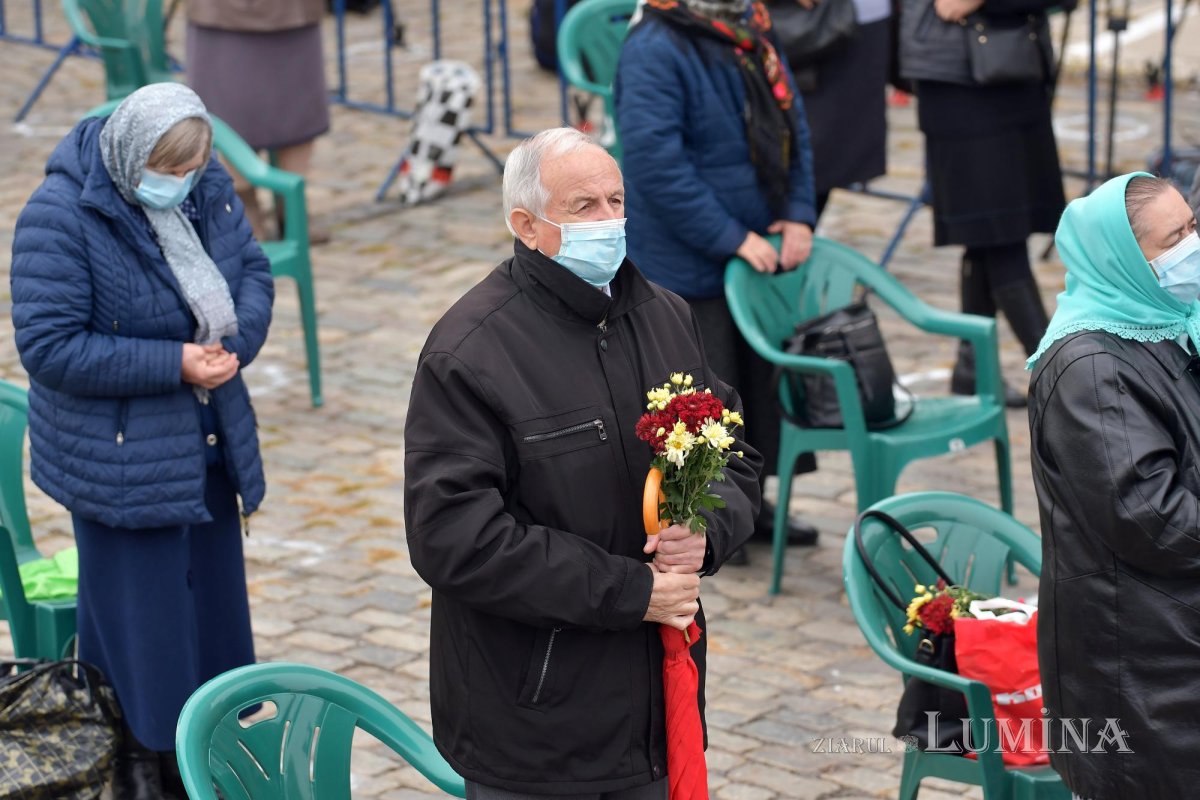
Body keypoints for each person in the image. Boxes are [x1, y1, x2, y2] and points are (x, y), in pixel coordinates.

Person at [403, 127, 761, 798]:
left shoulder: (665, 315)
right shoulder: (471, 352)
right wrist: (633, 593)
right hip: (534, 723)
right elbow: (455, 539)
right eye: (583, 207)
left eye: (616, 201)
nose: (608, 221)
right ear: (527, 225)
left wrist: (707, 530)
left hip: (659, 703)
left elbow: (733, 452)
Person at [10, 82, 273, 799]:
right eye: (170, 169)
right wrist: (174, 362)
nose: (183, 183)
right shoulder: (59, 217)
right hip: (118, 460)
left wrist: (233, 343)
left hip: (206, 445)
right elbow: (51, 346)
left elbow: (249, 272)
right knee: (141, 631)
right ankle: (146, 768)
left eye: (193, 167)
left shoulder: (205, 188)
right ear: (131, 158)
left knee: (215, 619)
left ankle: (208, 754)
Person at [615, 0, 820, 554]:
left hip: (756, 250)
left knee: (760, 385)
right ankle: (703, 519)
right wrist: (729, 236)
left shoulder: (749, 29)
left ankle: (753, 505)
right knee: (708, 394)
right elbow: (656, 162)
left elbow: (793, 124)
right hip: (688, 258)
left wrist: (800, 212)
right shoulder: (654, 46)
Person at [1027, 172, 1200, 800]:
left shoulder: (1169, 320)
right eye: (1174, 238)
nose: (1193, 245)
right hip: (1142, 665)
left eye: (1193, 225)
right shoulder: (1091, 369)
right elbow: (1149, 516)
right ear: (1127, 262)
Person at [899, 0, 1067, 407]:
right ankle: (1062, 376)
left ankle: (971, 369)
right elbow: (948, 5)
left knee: (989, 237)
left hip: (1016, 68)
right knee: (999, 236)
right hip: (958, 82)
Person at [186, 0, 330, 243]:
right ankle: (243, 204)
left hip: (295, 14)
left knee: (298, 107)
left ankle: (293, 208)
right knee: (230, 111)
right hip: (222, 16)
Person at [790, 0, 891, 219]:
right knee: (807, 154)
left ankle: (800, 234)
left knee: (834, 157)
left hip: (861, 25)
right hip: (810, 23)